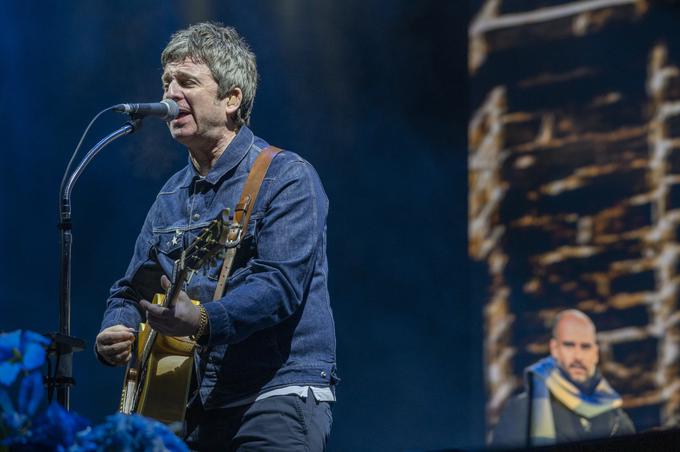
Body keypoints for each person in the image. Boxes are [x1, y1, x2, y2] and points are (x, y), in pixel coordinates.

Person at [94, 22, 337, 451]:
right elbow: (130, 290)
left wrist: (203, 320)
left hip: (275, 393)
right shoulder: (170, 195)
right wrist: (118, 327)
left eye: (187, 82)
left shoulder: (287, 177)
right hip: (194, 404)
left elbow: (279, 286)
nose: (170, 93)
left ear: (231, 98)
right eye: (167, 81)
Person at [490, 309, 634, 448]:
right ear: (555, 349)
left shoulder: (616, 416)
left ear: (595, 353)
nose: (578, 356)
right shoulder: (522, 411)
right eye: (569, 345)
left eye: (585, 347)